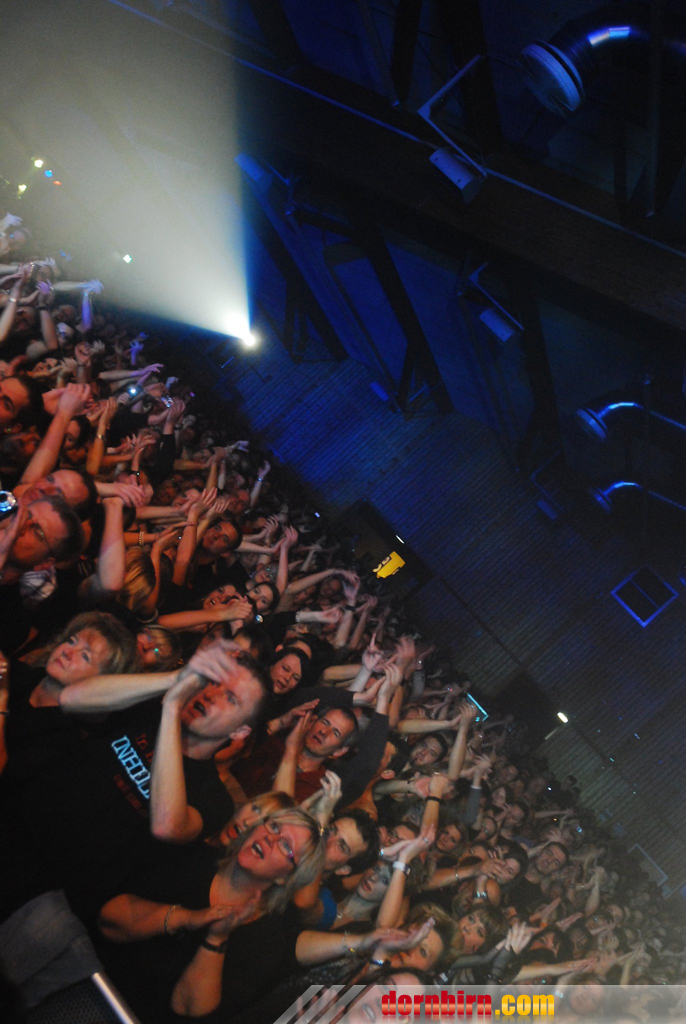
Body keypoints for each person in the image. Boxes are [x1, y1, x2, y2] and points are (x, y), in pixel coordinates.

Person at [97, 807, 324, 1021]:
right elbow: (108, 919)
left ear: (285, 878)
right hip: (96, 979)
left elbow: (188, 1010)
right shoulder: (193, 856)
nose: (270, 838)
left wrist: (216, 938)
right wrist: (187, 918)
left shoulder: (266, 943)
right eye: (274, 826)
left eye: (285, 845)